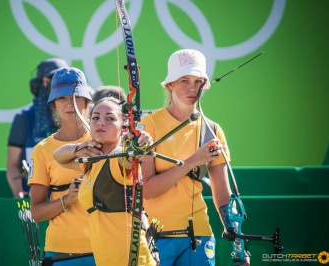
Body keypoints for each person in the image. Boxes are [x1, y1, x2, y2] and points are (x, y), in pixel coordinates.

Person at [139, 49, 250, 265]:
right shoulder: (150, 125)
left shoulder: (212, 130)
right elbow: (148, 190)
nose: (193, 88)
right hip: (155, 237)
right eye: (185, 80)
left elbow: (222, 194)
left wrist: (239, 242)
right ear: (170, 84)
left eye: (199, 81)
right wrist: (193, 161)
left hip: (198, 236)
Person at [53, 97, 158, 266]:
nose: (101, 123)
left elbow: (128, 158)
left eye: (110, 118)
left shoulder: (119, 158)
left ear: (124, 125)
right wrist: (79, 148)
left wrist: (137, 146)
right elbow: (58, 156)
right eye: (95, 118)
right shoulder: (92, 161)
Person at [28, 66, 95, 265]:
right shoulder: (42, 150)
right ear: (54, 105)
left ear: (87, 102)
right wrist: (68, 198)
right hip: (62, 252)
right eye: (62, 98)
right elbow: (37, 213)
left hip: (104, 248)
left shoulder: (104, 140)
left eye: (76, 97)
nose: (69, 104)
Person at [6, 58, 68, 198]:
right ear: (39, 83)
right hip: (33, 197)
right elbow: (12, 164)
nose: (54, 83)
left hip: (68, 198)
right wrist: (18, 192)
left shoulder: (75, 116)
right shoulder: (24, 118)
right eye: (51, 78)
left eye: (59, 79)